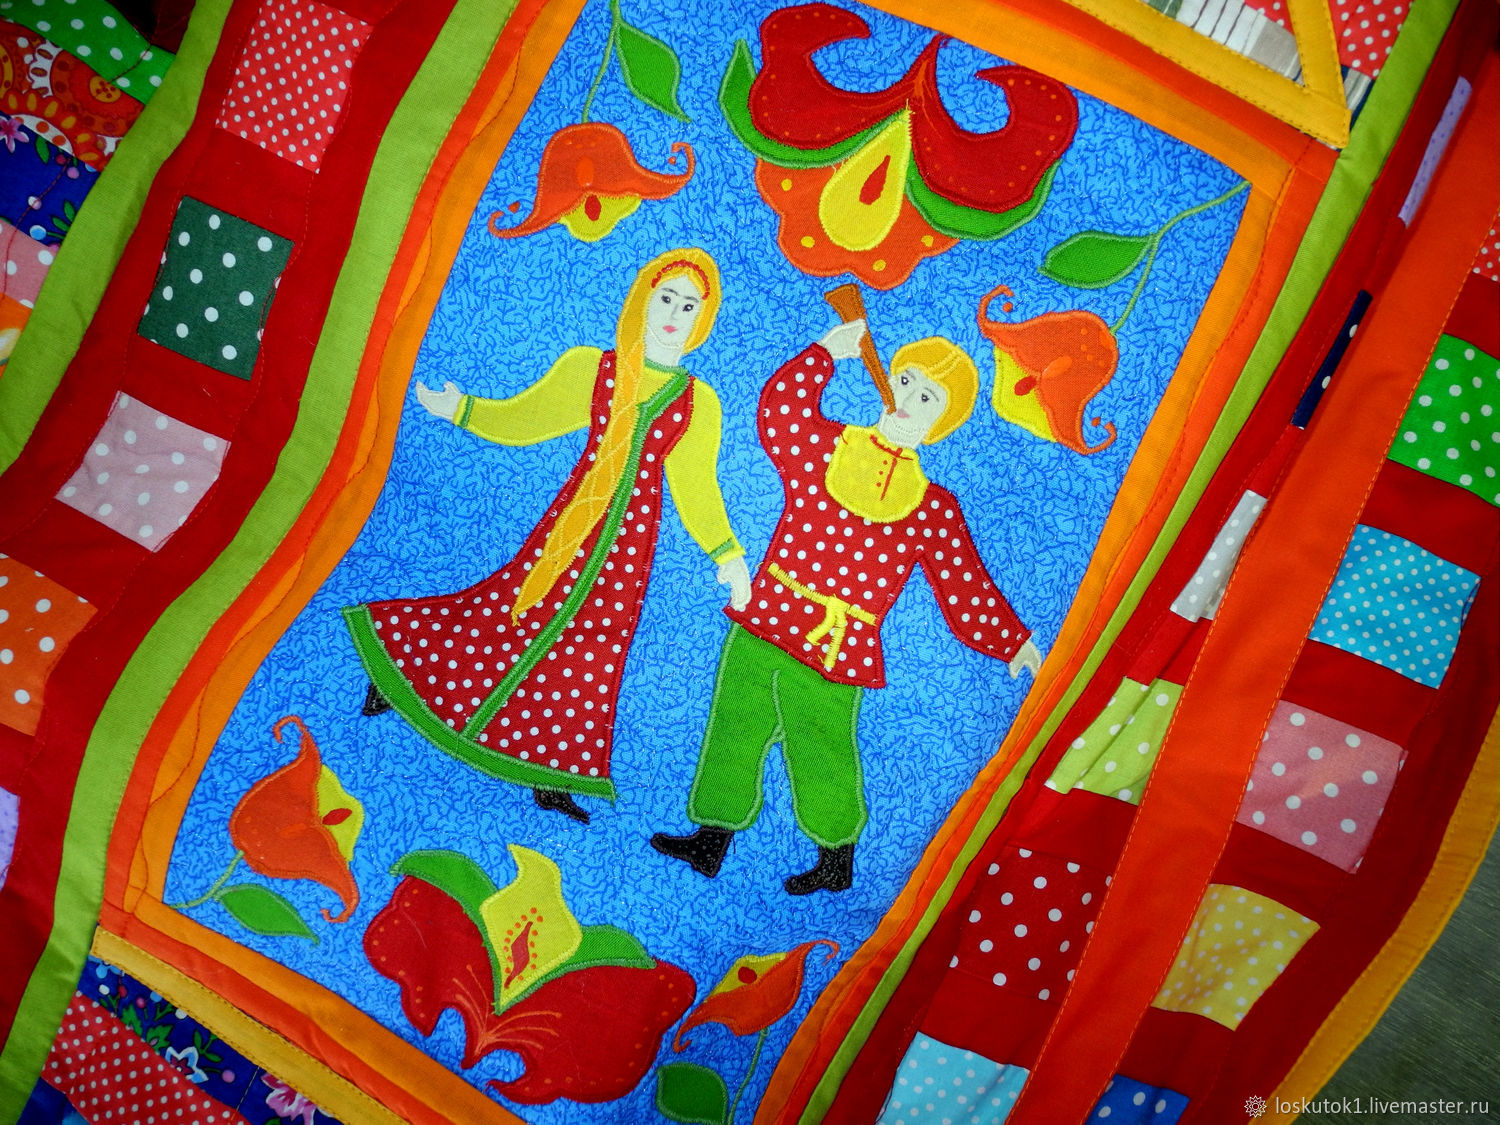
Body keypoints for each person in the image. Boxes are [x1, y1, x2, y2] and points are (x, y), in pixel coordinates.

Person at [343, 248, 751, 824]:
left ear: (702, 320)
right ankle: (400, 673)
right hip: (571, 526)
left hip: (629, 547)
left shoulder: (696, 402)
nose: (673, 315)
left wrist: (727, 555)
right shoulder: (595, 368)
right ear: (642, 299)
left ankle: (553, 768)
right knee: (506, 607)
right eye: (666, 298)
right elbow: (528, 418)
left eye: (689, 306)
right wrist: (461, 409)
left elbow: (697, 486)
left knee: (595, 652)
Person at [651, 318, 1042, 892]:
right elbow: (780, 415)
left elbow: (963, 584)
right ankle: (711, 839)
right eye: (905, 381)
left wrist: (1012, 641)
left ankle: (836, 860)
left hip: (837, 649)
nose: (908, 399)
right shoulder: (827, 448)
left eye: (928, 398)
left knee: (822, 747)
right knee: (736, 723)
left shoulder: (932, 508)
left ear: (942, 423)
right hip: (767, 617)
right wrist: (824, 354)